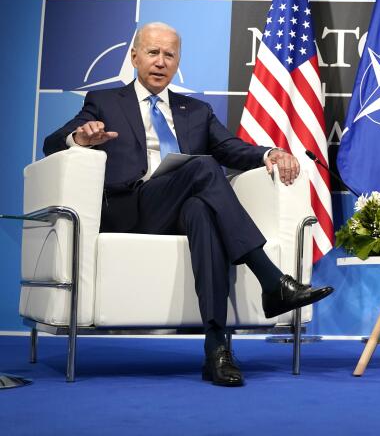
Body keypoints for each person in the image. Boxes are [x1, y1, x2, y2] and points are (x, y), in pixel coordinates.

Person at [44, 22, 334, 387]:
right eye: (153, 52)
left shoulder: (195, 109)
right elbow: (51, 143)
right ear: (134, 57)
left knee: (202, 209)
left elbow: (231, 148)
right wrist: (80, 138)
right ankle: (271, 279)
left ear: (178, 60)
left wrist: (270, 152)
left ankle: (216, 350)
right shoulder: (104, 102)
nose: (161, 62)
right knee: (203, 165)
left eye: (169, 54)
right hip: (131, 208)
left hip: (180, 209)